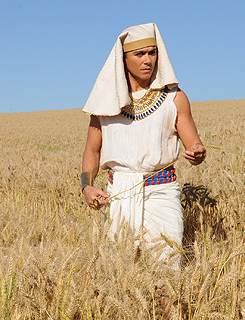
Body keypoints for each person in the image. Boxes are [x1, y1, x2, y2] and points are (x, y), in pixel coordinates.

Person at [80, 23, 206, 268]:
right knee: (122, 271)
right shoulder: (105, 104)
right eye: (140, 54)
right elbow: (92, 151)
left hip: (162, 192)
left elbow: (194, 143)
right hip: (119, 193)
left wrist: (197, 152)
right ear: (123, 59)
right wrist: (87, 187)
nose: (148, 60)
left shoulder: (175, 98)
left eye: (152, 52)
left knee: (168, 268)